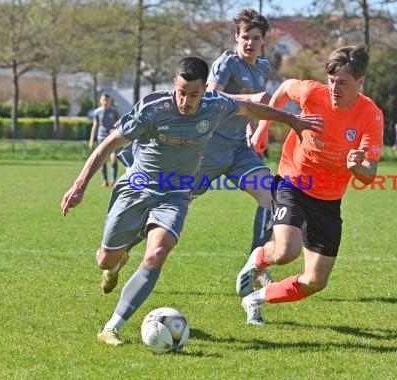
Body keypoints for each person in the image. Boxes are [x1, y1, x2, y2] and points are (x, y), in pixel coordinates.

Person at [60, 56, 323, 346]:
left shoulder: (215, 104)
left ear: (204, 90)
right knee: (104, 259)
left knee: (157, 252)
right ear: (175, 85)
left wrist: (292, 119)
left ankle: (112, 327)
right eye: (182, 93)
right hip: (137, 187)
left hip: (176, 194)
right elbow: (108, 144)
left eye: (193, 94)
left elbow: (250, 108)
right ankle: (116, 261)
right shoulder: (153, 108)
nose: (186, 101)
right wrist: (79, 186)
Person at [236, 46, 384, 325]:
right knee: (286, 251)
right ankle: (259, 258)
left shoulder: (371, 115)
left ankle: (255, 299)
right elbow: (284, 89)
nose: (334, 88)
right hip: (293, 180)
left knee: (316, 281)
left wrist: (356, 167)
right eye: (331, 80)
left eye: (343, 83)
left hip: (328, 199)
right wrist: (263, 128)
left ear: (360, 82)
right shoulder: (313, 93)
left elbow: (369, 173)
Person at [195, 9, 275, 289]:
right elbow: (210, 95)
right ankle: (123, 248)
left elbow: (247, 112)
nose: (249, 43)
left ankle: (256, 266)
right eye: (245, 37)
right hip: (210, 148)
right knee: (175, 204)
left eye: (255, 38)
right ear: (236, 38)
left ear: (263, 41)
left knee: (271, 195)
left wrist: (253, 130)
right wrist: (251, 98)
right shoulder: (227, 62)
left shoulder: (263, 67)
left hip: (239, 149)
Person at [88, 92, 121, 187]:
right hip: (101, 137)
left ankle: (114, 180)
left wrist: (115, 129)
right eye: (104, 100)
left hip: (113, 138)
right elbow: (95, 126)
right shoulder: (97, 112)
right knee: (102, 159)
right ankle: (105, 180)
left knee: (114, 158)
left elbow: (119, 125)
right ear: (101, 101)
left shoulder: (114, 112)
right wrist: (91, 140)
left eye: (107, 100)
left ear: (110, 101)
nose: (106, 102)